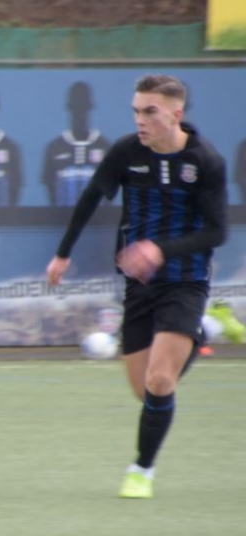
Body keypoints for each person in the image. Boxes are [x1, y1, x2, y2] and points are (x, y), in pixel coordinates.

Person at [45, 74, 227, 499]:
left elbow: (216, 232)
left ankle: (141, 470)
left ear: (176, 114)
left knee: (161, 380)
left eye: (150, 112)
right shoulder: (127, 151)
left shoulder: (205, 161)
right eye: (136, 111)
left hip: (185, 284)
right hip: (139, 287)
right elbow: (92, 196)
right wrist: (63, 254)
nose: (140, 120)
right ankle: (202, 333)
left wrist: (159, 250)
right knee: (143, 390)